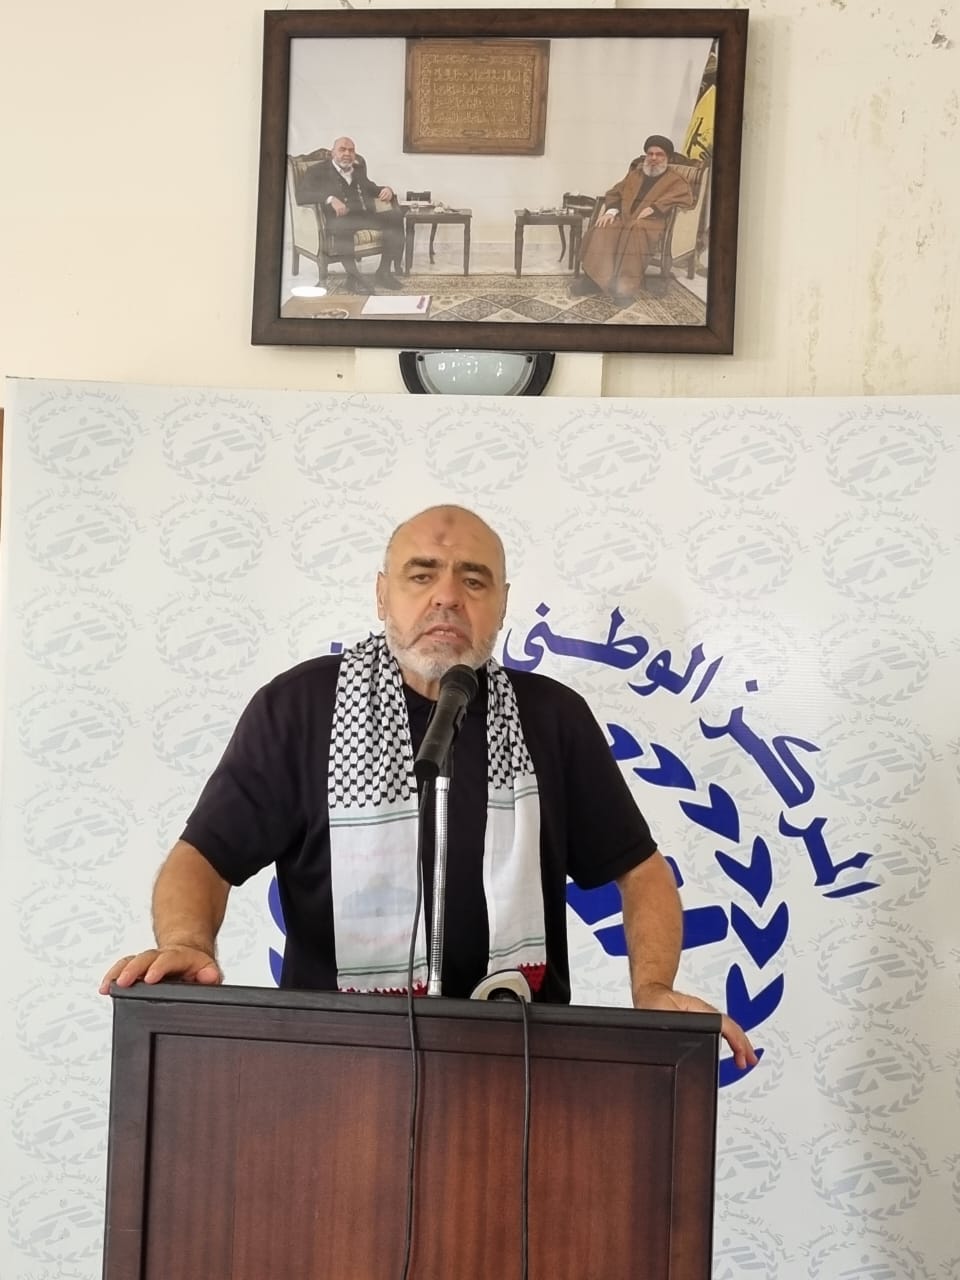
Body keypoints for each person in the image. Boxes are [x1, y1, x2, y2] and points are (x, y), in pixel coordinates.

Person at [100, 505, 757, 1070]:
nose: (447, 596)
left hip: (519, 1067)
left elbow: (641, 873)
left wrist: (653, 988)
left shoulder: (552, 718)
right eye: (421, 575)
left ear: (502, 602)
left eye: (473, 579)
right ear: (382, 595)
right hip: (332, 1066)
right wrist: (187, 945)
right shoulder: (300, 709)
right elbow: (203, 858)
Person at [572, 135, 695, 301]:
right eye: (650, 154)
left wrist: (655, 208)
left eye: (659, 154)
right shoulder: (636, 174)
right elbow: (615, 192)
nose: (654, 158)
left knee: (636, 230)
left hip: (652, 222)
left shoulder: (676, 180)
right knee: (605, 226)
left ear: (668, 157)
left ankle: (624, 289)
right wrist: (611, 212)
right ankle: (594, 280)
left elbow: (684, 199)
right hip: (626, 217)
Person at [299, 136, 404, 294]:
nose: (347, 153)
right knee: (343, 228)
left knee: (395, 217)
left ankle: (383, 272)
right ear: (333, 153)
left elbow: (370, 187)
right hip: (337, 218)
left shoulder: (357, 169)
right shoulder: (317, 170)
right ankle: (353, 277)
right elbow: (302, 195)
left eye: (351, 150)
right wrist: (330, 199)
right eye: (342, 149)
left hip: (362, 215)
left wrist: (386, 190)